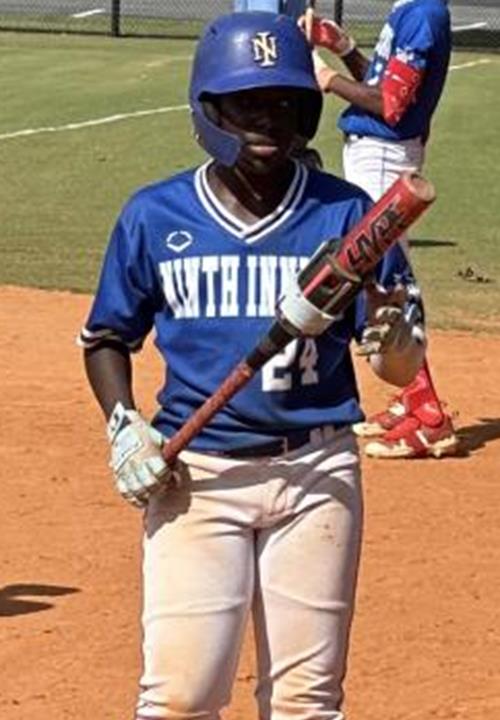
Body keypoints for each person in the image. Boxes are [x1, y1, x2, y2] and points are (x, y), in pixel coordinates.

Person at [80, 12, 426, 720]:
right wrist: (124, 426)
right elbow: (106, 336)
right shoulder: (155, 216)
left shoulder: (346, 215)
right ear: (209, 111)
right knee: (180, 698)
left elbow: (398, 367)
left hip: (317, 471)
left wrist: (395, 342)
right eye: (246, 104)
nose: (268, 120)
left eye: (285, 102)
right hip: (196, 474)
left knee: (306, 702)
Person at [300, 0, 459, 459]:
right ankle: (413, 396)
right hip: (377, 152)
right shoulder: (409, 9)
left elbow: (390, 106)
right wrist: (344, 48)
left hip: (384, 154)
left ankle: (429, 417)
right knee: (382, 273)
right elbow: (384, 85)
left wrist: (326, 78)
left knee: (388, 274)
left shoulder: (423, 13)